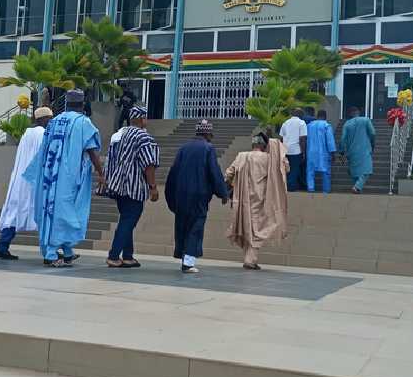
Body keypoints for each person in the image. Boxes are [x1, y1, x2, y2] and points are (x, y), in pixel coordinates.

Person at [25, 89, 104, 267]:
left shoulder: (53, 122)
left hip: (49, 177)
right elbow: (92, 150)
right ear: (82, 105)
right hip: (68, 178)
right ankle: (51, 254)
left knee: (55, 212)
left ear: (67, 104)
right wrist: (101, 173)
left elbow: (43, 150)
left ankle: (67, 251)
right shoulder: (83, 122)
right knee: (64, 213)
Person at [165, 120, 229, 274]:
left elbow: (173, 173)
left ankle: (183, 257)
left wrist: (171, 197)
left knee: (182, 226)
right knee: (195, 227)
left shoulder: (183, 148)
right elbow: (214, 172)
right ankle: (188, 263)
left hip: (181, 195)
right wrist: (223, 193)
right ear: (207, 134)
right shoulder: (208, 148)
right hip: (199, 196)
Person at [0, 107, 54, 260]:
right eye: (49, 119)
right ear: (43, 119)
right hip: (34, 179)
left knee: (14, 212)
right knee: (44, 213)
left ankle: (2, 246)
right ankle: (51, 252)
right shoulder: (42, 134)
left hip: (20, 179)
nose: (51, 122)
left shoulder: (27, 133)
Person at [103, 106, 160, 268]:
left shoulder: (119, 134)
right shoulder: (144, 137)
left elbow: (110, 159)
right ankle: (113, 255)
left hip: (118, 185)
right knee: (129, 220)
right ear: (142, 119)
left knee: (126, 219)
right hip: (134, 187)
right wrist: (153, 187)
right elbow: (149, 164)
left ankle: (128, 256)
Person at [225, 133, 289, 270]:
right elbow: (285, 168)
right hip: (261, 199)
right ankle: (250, 259)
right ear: (263, 146)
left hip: (242, 198)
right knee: (259, 229)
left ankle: (249, 258)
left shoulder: (242, 156)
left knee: (248, 227)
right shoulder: (269, 159)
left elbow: (229, 173)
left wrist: (232, 186)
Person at [340, 106, 376, 194]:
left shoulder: (347, 124)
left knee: (355, 173)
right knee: (367, 170)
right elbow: (373, 133)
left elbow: (342, 139)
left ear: (350, 114)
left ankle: (357, 189)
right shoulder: (366, 120)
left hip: (351, 151)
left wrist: (342, 152)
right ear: (358, 112)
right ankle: (357, 187)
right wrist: (372, 144)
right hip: (364, 150)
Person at [306, 110, 337, 194]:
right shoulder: (326, 125)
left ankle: (310, 188)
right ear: (325, 116)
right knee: (326, 172)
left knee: (310, 171)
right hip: (323, 152)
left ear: (317, 115)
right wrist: (333, 153)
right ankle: (325, 190)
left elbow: (306, 139)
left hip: (311, 152)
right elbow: (330, 141)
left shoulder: (309, 125)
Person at [279, 108, 307, 191]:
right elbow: (302, 139)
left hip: (286, 150)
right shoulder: (302, 123)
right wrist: (303, 152)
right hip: (296, 150)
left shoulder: (285, 123)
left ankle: (285, 186)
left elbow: (281, 137)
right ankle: (290, 187)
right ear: (301, 115)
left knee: (287, 169)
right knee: (295, 169)